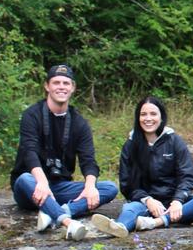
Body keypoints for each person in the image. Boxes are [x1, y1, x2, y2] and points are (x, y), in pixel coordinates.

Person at [11, 63, 118, 240]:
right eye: (56, 82)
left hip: (59, 187)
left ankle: (55, 211)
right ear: (47, 86)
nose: (61, 87)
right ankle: (68, 222)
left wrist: (90, 187)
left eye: (66, 83)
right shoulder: (32, 115)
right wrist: (41, 182)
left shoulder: (79, 123)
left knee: (109, 188)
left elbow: (88, 160)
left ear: (73, 87)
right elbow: (29, 152)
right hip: (33, 186)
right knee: (23, 179)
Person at [90, 95, 193, 238]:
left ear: (161, 117)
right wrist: (148, 200)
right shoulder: (131, 145)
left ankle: (156, 222)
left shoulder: (174, 141)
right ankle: (120, 227)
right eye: (143, 114)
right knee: (129, 209)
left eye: (153, 114)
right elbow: (127, 185)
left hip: (174, 205)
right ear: (138, 118)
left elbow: (187, 177)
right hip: (144, 204)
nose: (148, 118)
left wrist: (177, 201)